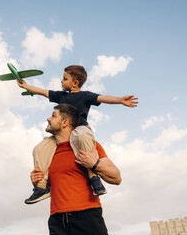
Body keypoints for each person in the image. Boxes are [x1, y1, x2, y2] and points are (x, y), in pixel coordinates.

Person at [18, 65, 137, 203]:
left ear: (75, 83)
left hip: (80, 129)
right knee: (39, 148)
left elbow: (102, 98)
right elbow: (44, 92)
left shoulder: (85, 96)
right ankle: (42, 187)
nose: (61, 81)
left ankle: (94, 178)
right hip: (63, 134)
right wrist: (26, 87)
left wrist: (120, 100)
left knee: (80, 136)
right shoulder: (61, 96)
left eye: (64, 79)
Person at [30, 104, 121, 235]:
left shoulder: (88, 146)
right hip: (57, 219)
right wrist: (36, 179)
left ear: (65, 122)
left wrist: (94, 164)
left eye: (53, 116)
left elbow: (117, 178)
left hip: (87, 216)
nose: (48, 119)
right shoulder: (47, 152)